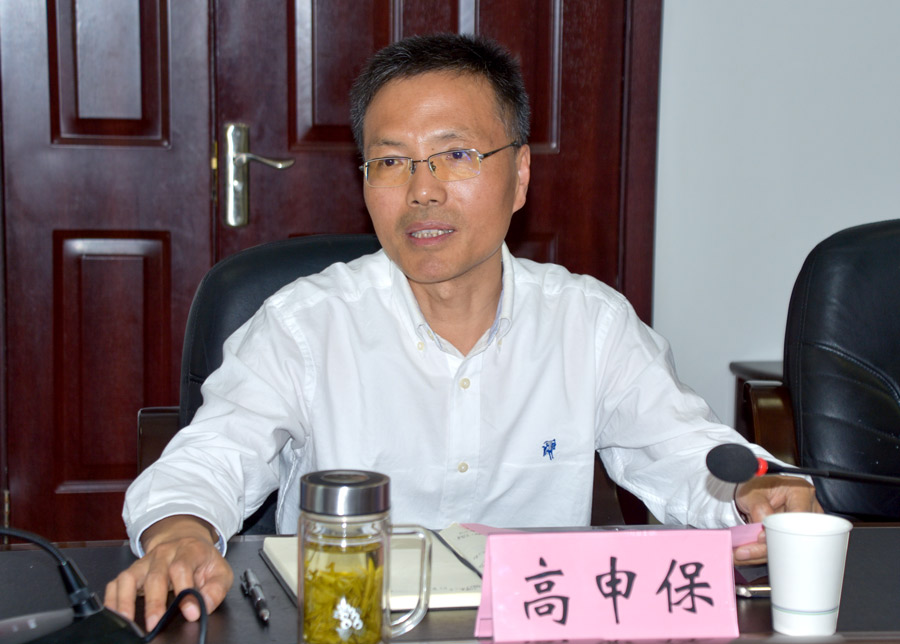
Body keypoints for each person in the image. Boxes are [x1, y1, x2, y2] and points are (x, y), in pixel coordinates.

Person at [105, 33, 821, 629]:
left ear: (520, 176)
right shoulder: (304, 326)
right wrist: (180, 533)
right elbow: (208, 461)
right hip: (348, 627)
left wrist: (754, 494)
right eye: (391, 161)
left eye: (456, 155)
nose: (423, 190)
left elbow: (687, 454)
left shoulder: (588, 325)